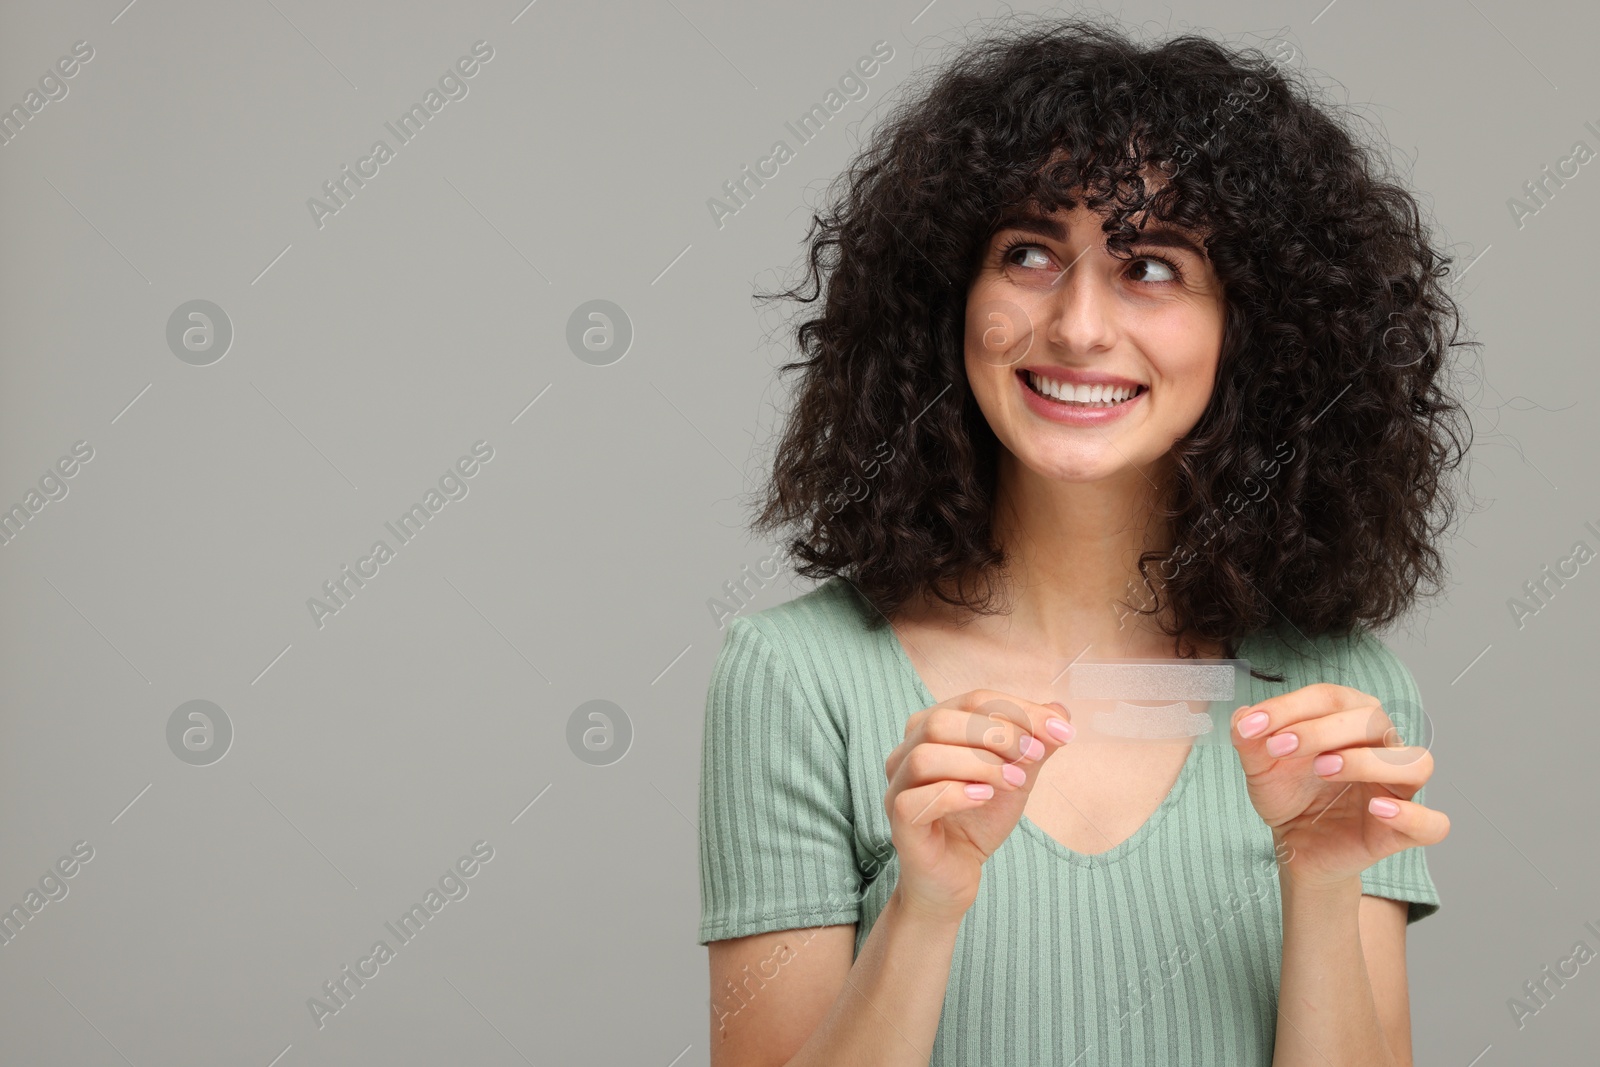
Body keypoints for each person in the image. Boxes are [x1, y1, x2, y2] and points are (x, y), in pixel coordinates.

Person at [698, 14, 1471, 1066]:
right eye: (1029, 253)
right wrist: (925, 905)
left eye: (1150, 266)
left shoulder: (1332, 696)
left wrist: (1322, 882)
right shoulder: (798, 680)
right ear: (944, 297)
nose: (1076, 328)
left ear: (1253, 329)